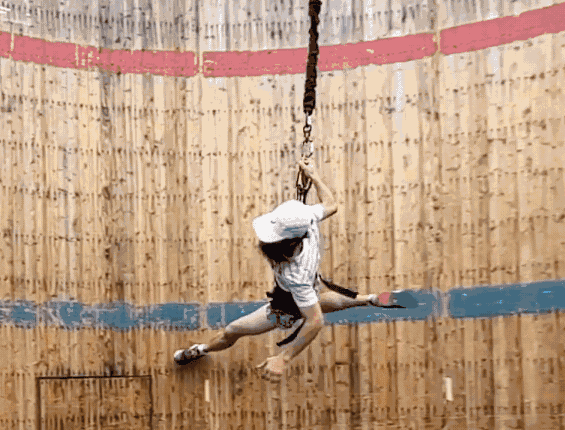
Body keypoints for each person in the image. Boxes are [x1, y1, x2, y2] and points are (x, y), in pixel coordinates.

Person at [172, 159, 412, 381]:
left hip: (284, 306)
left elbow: (315, 321)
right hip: (310, 285)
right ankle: (370, 299)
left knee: (233, 330)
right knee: (315, 300)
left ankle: (201, 349)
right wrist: (314, 175)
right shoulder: (308, 220)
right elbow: (331, 205)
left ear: (286, 245)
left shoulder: (292, 273)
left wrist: (284, 358)